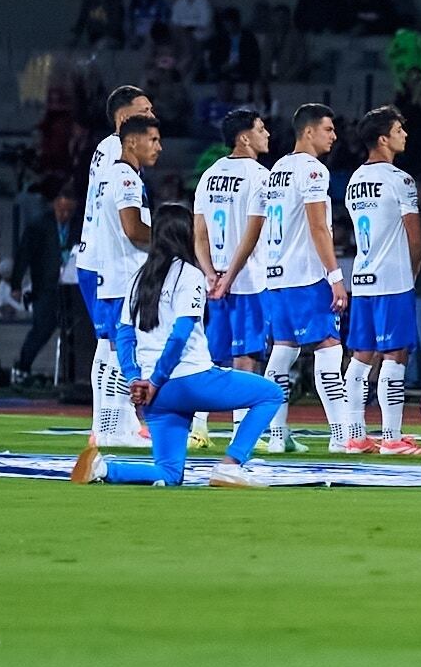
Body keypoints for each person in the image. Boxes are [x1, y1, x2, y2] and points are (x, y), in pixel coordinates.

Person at [67, 200, 289, 488]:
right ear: (186, 235)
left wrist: (136, 379)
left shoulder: (138, 278)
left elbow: (124, 336)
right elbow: (180, 335)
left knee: (169, 474)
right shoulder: (189, 274)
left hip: (154, 394)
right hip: (188, 380)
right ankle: (231, 464)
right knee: (270, 394)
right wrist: (157, 380)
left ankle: (104, 468)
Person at [253, 104, 348, 456]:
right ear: (308, 132)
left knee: (282, 353)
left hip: (277, 276)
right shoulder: (312, 170)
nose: (334, 135)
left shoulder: (277, 169)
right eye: (328, 129)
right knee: (328, 347)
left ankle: (277, 435)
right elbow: (318, 226)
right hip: (306, 276)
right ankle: (342, 434)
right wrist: (335, 277)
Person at [336, 108, 421, 452]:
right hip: (393, 279)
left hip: (363, 275)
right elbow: (414, 238)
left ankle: (355, 434)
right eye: (399, 129)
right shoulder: (399, 179)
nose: (405, 135)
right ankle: (391, 437)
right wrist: (412, 274)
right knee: (395, 354)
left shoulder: (354, 180)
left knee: (361, 355)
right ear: (383, 138)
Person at [77, 103, 162, 449]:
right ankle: (113, 428)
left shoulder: (111, 171)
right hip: (124, 277)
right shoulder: (126, 177)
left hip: (110, 275)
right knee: (120, 353)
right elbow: (133, 229)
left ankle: (109, 426)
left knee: (115, 350)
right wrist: (168, 243)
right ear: (131, 143)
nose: (159, 147)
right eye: (153, 140)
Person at [190, 108, 277, 403]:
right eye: (261, 129)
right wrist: (230, 278)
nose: (267, 134)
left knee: (213, 359)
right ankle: (243, 430)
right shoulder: (261, 177)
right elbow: (251, 235)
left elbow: (199, 234)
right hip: (248, 281)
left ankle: (199, 428)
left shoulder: (209, 174)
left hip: (215, 283)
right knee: (247, 357)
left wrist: (210, 274)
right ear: (244, 138)